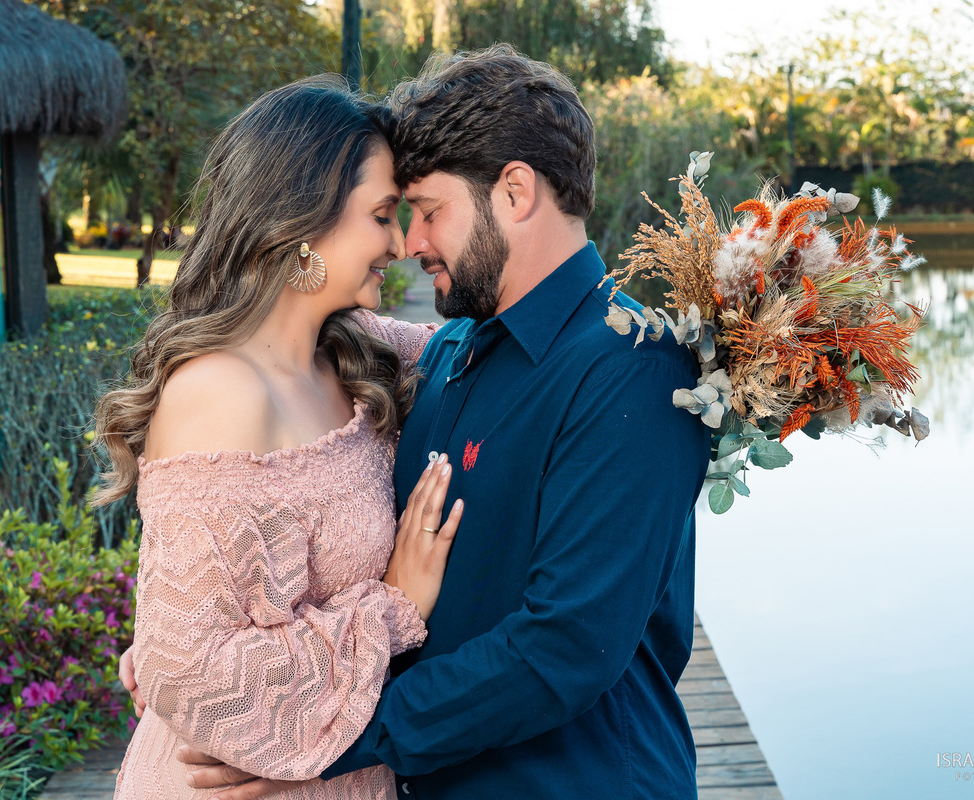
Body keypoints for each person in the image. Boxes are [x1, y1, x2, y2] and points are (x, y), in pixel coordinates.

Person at [139, 45, 713, 800]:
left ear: (515, 192)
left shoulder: (635, 365)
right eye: (392, 215)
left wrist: (321, 733)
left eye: (427, 212)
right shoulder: (444, 355)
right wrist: (194, 648)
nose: (409, 242)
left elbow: (567, 646)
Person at [97, 76, 462, 800]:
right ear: (301, 223)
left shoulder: (353, 346)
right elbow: (187, 673)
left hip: (340, 773)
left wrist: (687, 334)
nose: (400, 244)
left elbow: (492, 352)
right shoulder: (217, 392)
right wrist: (392, 606)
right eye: (382, 216)